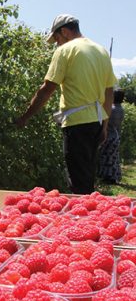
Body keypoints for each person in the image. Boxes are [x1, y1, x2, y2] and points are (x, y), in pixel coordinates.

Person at [16, 14, 117, 194]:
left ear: (64, 31)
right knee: (87, 176)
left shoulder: (66, 50)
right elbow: (109, 92)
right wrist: (105, 125)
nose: (57, 44)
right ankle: (90, 215)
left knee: (78, 181)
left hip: (77, 123)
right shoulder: (100, 51)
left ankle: (82, 219)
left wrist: (25, 116)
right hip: (97, 122)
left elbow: (47, 88)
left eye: (56, 39)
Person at [98, 88, 125, 184]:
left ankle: (107, 178)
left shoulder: (112, 109)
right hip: (116, 135)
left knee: (106, 157)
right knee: (113, 158)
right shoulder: (121, 109)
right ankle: (113, 177)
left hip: (108, 135)